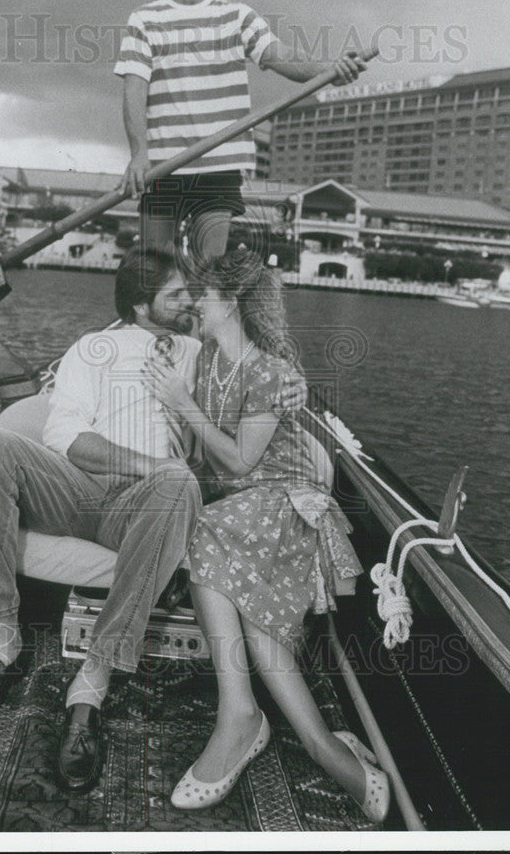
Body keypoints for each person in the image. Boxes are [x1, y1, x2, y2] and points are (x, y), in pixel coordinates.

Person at [0, 247, 305, 796]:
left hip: (147, 506)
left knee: (178, 482)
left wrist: (293, 387)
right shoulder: (93, 348)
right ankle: (0, 638)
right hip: (76, 488)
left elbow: (255, 360)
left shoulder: (198, 350)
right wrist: (147, 461)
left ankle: (93, 679)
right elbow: (64, 437)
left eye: (192, 294)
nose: (190, 302)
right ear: (141, 306)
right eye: (175, 295)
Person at [142, 248, 390, 823]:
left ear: (232, 301)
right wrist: (179, 424)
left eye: (200, 296)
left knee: (207, 532)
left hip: (285, 506)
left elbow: (244, 464)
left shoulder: (272, 374)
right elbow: (213, 463)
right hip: (243, 514)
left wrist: (181, 405)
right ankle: (320, 746)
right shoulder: (208, 362)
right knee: (244, 600)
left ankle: (240, 718)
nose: (192, 307)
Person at [114, 0, 369, 265]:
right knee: (155, 275)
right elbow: (134, 91)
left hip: (219, 165)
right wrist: (139, 155)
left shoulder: (237, 16)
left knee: (208, 271)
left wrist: (329, 70)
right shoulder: (144, 20)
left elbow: (281, 55)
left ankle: (201, 320)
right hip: (162, 167)